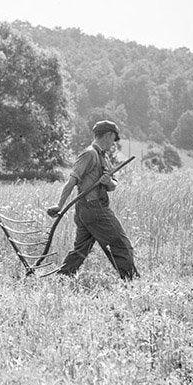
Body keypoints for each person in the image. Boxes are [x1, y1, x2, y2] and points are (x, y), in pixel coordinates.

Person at [49, 119, 138, 280]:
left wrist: (108, 181)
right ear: (108, 135)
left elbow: (113, 186)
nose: (113, 143)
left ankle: (61, 277)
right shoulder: (89, 154)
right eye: (113, 138)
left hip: (87, 210)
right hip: (94, 209)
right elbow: (72, 181)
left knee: (81, 249)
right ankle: (132, 281)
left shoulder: (104, 157)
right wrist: (59, 205)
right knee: (121, 244)